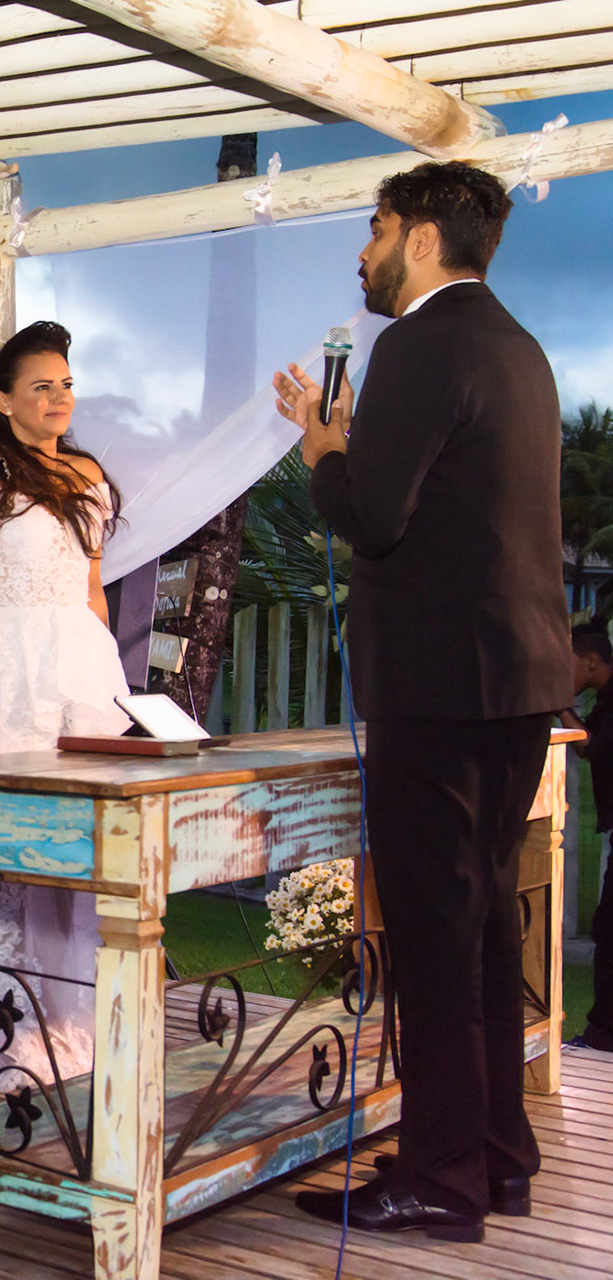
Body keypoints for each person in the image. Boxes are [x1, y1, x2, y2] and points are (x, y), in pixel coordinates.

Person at [274, 162, 571, 1241]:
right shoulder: (519, 347)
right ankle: (497, 1156)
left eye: (376, 227)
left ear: (421, 237)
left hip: (441, 689)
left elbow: (376, 515)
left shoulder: (417, 342)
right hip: (517, 684)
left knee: (439, 937)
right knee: (485, 924)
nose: (365, 250)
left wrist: (322, 449)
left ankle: (440, 1179)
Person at [0, 319, 132, 1081]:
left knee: (76, 857)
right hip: (8, 672)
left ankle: (73, 1014)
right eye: (41, 386)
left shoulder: (88, 472)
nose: (59, 396)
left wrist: (111, 685)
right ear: (4, 400)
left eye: (65, 383)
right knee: (7, 854)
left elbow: (92, 587)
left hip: (77, 674)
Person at [565, 628, 613, 1055]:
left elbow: (592, 747)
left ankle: (603, 1036)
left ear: (593, 660)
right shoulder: (606, 698)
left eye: (571, 663)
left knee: (609, 926)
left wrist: (557, 705)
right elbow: (584, 747)